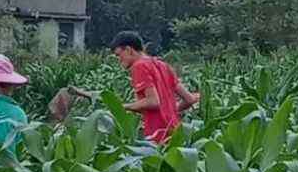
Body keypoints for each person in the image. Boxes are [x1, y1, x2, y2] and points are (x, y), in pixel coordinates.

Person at [51, 31, 201, 143]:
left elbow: (153, 102)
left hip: (157, 135)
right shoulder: (162, 65)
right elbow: (189, 99)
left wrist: (121, 107)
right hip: (175, 133)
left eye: (119, 55)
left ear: (129, 49)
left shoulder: (139, 66)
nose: (118, 60)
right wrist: (170, 109)